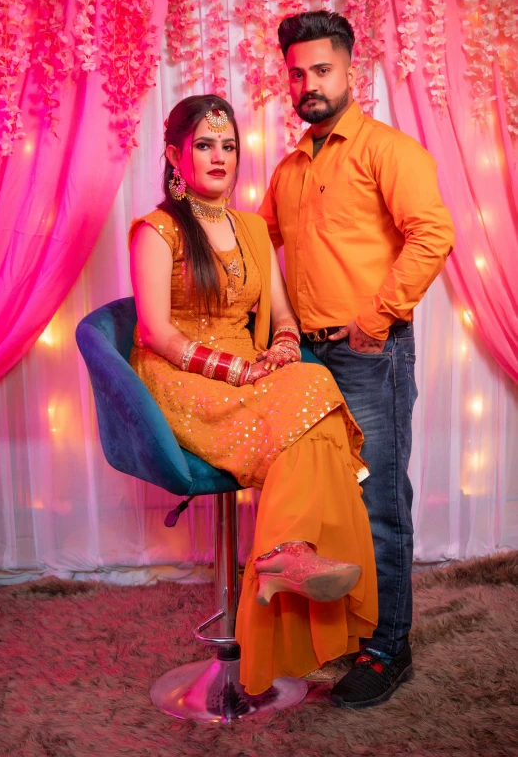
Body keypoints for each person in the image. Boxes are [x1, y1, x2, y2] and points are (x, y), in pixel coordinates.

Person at [128, 94, 377, 696]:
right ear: (174, 155)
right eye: (205, 145)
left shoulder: (251, 229)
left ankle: (284, 554)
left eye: (229, 145)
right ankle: (286, 554)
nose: (219, 157)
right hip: (180, 378)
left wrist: (284, 351)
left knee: (312, 383)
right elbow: (157, 333)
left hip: (246, 368)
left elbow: (284, 315)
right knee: (312, 403)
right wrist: (244, 374)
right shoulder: (155, 232)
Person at [259, 11, 455, 708]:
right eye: (297, 74)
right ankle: (340, 635)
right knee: (320, 507)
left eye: (321, 70)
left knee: (377, 507)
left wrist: (375, 321)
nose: (308, 85)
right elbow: (260, 256)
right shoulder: (286, 170)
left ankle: (389, 648)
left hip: (370, 354)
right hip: (305, 360)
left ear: (351, 71)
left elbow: (433, 235)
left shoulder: (387, 151)